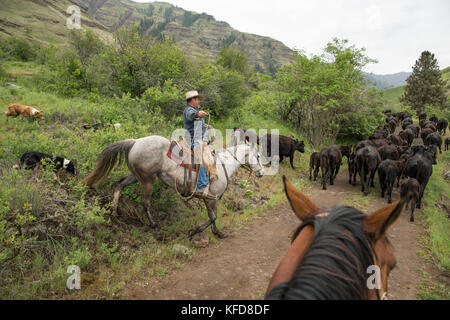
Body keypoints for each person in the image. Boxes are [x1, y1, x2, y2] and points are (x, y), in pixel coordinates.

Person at [183, 91, 214, 198]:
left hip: (199, 138)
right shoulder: (189, 110)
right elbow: (192, 116)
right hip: (193, 140)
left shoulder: (193, 110)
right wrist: (198, 114)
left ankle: (210, 177)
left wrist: (204, 125)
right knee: (200, 157)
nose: (198, 101)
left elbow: (195, 122)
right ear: (193, 100)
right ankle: (202, 186)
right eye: (197, 99)